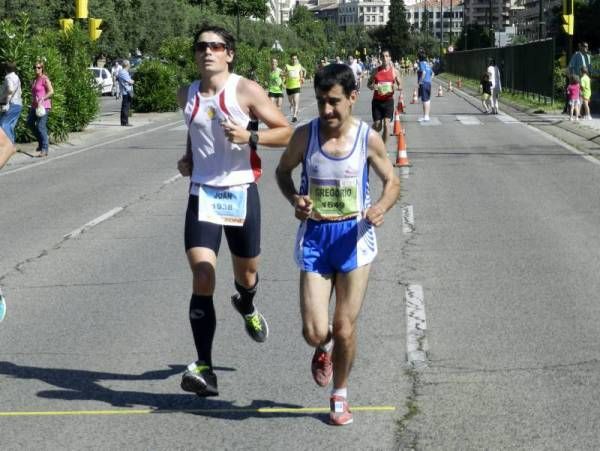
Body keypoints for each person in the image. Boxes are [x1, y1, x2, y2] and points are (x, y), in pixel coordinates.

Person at [275, 63, 400, 426]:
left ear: (352, 98)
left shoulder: (366, 138)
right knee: (315, 331)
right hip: (316, 238)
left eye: (334, 102)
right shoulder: (305, 136)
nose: (327, 110)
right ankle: (322, 348)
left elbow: (391, 181)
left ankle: (340, 393)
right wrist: (295, 200)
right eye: (320, 102)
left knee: (344, 325)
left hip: (354, 239)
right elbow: (282, 173)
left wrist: (380, 206)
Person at [176, 25, 292, 397]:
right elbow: (196, 131)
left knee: (247, 272)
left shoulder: (245, 90)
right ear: (195, 54)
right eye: (202, 46)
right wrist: (189, 156)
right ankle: (204, 367)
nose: (208, 51)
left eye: (216, 46)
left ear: (229, 53)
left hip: (241, 191)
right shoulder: (186, 94)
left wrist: (250, 137)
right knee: (203, 273)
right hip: (203, 195)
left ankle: (246, 302)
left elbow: (287, 131)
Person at [367, 49, 402, 144]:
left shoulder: (395, 71)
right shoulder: (376, 71)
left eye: (387, 56)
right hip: (377, 101)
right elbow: (369, 84)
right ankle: (367, 135)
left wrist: (394, 87)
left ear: (390, 58)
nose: (385, 58)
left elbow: (400, 86)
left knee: (387, 125)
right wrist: (373, 86)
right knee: (378, 126)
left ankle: (382, 148)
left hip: (388, 101)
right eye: (383, 56)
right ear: (380, 58)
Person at [26, 60, 53, 157]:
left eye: (38, 67)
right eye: (35, 67)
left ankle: (44, 149)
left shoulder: (44, 78)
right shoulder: (34, 79)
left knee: (40, 126)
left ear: (42, 69)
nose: (36, 69)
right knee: (29, 123)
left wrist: (42, 98)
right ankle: (41, 142)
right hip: (34, 106)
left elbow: (51, 91)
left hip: (43, 106)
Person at [0, 62, 23, 145]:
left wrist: (3, 97)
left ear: (6, 69)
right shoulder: (17, 77)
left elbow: (10, 89)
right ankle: (11, 144)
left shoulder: (8, 77)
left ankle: (9, 146)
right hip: (18, 104)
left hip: (12, 104)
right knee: (10, 126)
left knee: (3, 125)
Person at [283, 53, 305, 123]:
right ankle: (291, 105)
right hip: (289, 86)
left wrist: (302, 78)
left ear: (297, 59)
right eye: (293, 59)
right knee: (290, 101)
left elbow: (301, 75)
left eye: (295, 59)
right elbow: (282, 74)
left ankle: (294, 116)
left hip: (297, 86)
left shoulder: (299, 66)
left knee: (296, 101)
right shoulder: (287, 66)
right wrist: (285, 75)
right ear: (291, 59)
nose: (294, 60)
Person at [417, 50, 434, 121]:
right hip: (429, 83)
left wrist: (420, 81)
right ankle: (426, 115)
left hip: (423, 83)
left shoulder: (421, 63)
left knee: (424, 100)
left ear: (419, 57)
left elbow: (423, 72)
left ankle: (426, 117)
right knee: (427, 100)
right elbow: (433, 74)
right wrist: (429, 79)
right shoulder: (427, 64)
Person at [117, 60, 134, 126]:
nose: (130, 65)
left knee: (126, 107)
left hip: (127, 91)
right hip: (126, 92)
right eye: (129, 64)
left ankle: (125, 121)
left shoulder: (125, 72)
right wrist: (132, 81)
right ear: (127, 65)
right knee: (125, 107)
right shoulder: (123, 72)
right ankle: (124, 122)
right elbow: (130, 81)